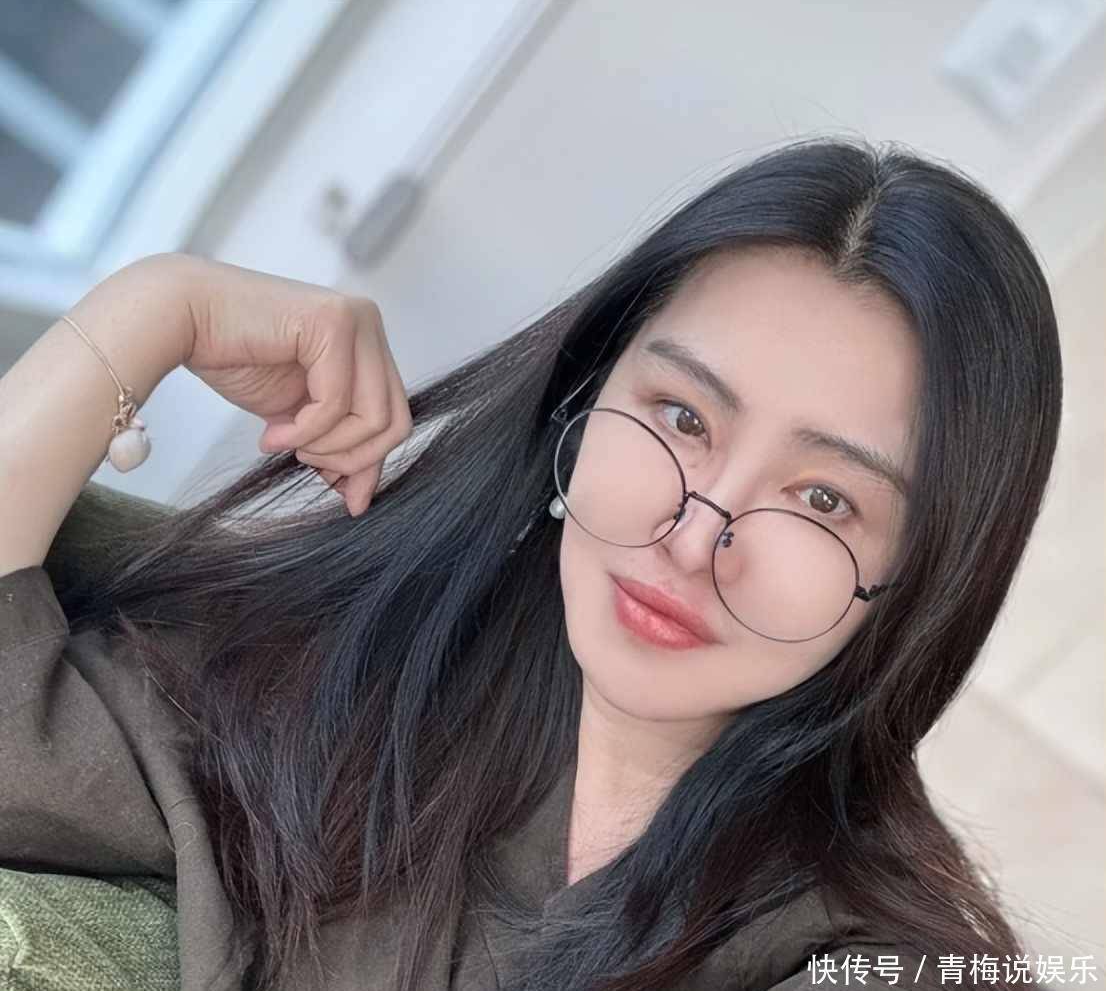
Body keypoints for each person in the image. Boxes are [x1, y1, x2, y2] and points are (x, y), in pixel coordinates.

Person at [0, 135, 1062, 991]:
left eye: (822, 500)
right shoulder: (345, 691)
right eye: (682, 416)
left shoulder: (865, 955)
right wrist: (154, 308)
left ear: (916, 584)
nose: (694, 538)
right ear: (584, 396)